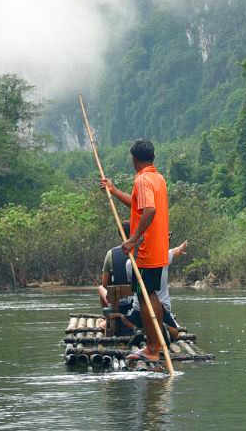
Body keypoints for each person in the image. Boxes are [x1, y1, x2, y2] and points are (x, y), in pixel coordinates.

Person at [100, 138, 171, 361]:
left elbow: (148, 210)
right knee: (150, 296)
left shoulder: (142, 180)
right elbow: (137, 205)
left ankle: (152, 349)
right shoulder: (157, 178)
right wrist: (112, 190)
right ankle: (156, 345)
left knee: (145, 299)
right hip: (158, 248)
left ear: (134, 159)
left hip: (147, 249)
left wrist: (133, 239)